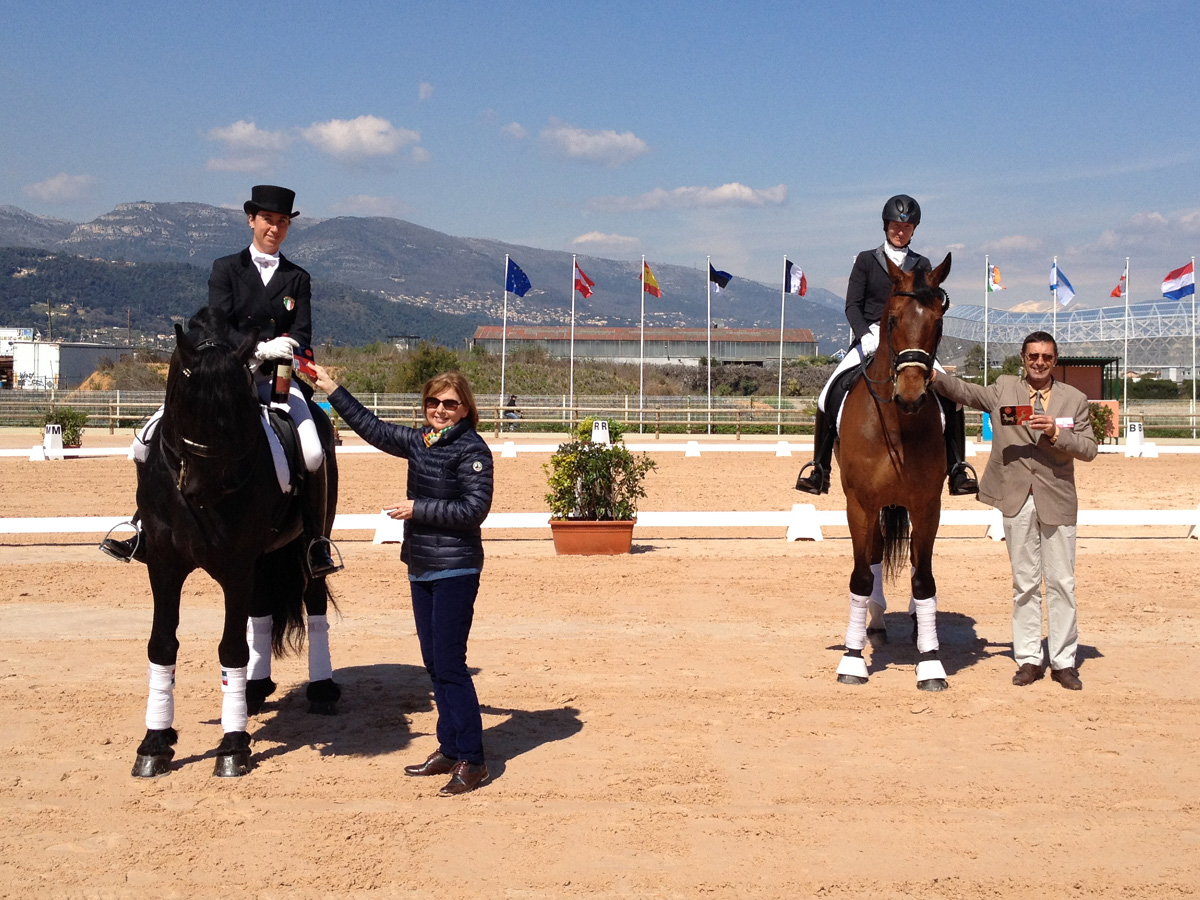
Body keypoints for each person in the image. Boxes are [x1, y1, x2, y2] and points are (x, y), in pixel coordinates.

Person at [102, 184, 338, 577]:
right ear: (251, 220)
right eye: (268, 220)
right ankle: (144, 527)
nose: (274, 228)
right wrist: (255, 348)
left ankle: (316, 541)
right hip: (227, 378)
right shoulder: (226, 268)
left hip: (276, 379)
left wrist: (285, 345)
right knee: (144, 441)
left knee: (313, 452)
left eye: (282, 222)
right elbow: (218, 324)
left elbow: (302, 331)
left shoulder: (297, 277)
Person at [313, 363, 495, 794]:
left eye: (449, 403)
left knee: (450, 665)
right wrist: (333, 388)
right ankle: (449, 747)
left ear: (465, 408)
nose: (439, 409)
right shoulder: (421, 441)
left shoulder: (473, 450)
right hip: (421, 566)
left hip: (456, 568)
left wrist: (418, 509)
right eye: (433, 402)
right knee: (433, 664)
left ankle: (473, 759)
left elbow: (474, 510)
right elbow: (373, 428)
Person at [930, 331, 1097, 690]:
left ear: (1055, 360)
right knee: (1025, 583)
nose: (1039, 362)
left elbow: (1089, 449)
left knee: (1062, 583)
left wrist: (1057, 433)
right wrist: (932, 375)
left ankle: (1064, 662)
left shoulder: (1074, 399)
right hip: (1016, 498)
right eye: (1033, 356)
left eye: (1046, 357)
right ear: (1023, 358)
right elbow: (965, 392)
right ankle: (1028, 659)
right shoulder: (1003, 388)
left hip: (1058, 499)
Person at [795, 194, 978, 497]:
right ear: (886, 226)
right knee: (828, 393)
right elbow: (852, 305)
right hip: (871, 336)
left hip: (911, 341)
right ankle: (819, 468)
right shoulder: (867, 260)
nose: (900, 231)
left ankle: (958, 467)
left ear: (914, 229)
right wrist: (865, 334)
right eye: (895, 226)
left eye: (906, 227)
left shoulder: (922, 264)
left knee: (952, 395)